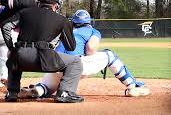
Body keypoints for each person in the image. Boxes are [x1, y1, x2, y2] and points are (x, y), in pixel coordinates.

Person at [18, 9, 150, 99]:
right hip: (75, 66)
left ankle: (37, 90)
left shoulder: (62, 29)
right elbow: (91, 49)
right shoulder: (92, 31)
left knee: (47, 87)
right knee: (110, 55)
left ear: (73, 22)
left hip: (54, 65)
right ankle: (133, 87)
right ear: (89, 22)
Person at [1, 0, 84, 103]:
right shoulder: (62, 20)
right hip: (45, 59)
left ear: (38, 3)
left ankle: (12, 93)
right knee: (75, 62)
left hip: (20, 59)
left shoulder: (24, 12)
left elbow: (6, 26)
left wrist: (11, 48)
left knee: (15, 53)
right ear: (56, 6)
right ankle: (65, 92)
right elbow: (70, 47)